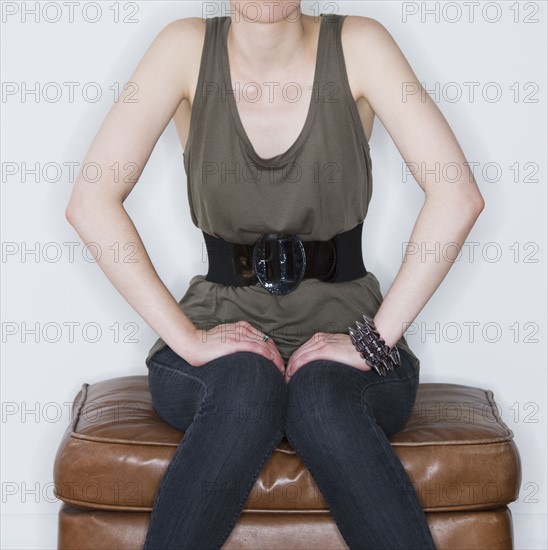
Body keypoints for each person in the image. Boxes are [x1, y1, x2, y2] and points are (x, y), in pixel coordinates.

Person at [65, 1, 484, 548]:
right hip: (217, 335)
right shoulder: (182, 48)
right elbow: (90, 202)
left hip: (348, 333)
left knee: (319, 398)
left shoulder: (361, 45)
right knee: (246, 386)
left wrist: (372, 340)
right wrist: (188, 341)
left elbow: (457, 196)